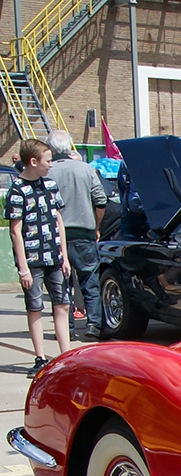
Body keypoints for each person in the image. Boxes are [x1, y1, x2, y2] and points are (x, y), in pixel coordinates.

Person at [6, 138, 71, 376]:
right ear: (33, 162)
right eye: (48, 160)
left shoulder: (50, 185)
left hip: (54, 254)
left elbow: (58, 220)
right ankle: (40, 356)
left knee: (62, 303)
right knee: (35, 307)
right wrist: (23, 267)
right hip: (33, 258)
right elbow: (16, 230)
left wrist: (64, 255)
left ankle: (66, 355)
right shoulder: (17, 190)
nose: (51, 165)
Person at [46, 130, 106, 338]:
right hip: (84, 232)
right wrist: (96, 226)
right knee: (89, 280)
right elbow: (101, 200)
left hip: (55, 236)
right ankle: (94, 324)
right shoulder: (85, 169)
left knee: (61, 285)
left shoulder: (47, 172)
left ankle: (67, 328)